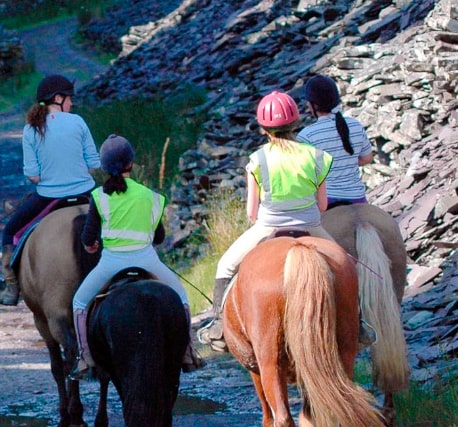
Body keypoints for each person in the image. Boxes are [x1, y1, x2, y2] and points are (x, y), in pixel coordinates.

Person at [198, 90, 336, 352]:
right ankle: (359, 320)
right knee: (348, 264)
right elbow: (323, 205)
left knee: (225, 266)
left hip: (268, 226)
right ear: (296, 123)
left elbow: (252, 211)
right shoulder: (317, 156)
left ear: (263, 129)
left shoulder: (258, 159)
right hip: (310, 225)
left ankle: (218, 326)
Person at [69, 134, 204, 380]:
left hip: (110, 263)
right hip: (146, 259)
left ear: (104, 167)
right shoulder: (150, 196)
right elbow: (159, 237)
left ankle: (85, 359)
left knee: (79, 303)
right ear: (131, 163)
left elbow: (88, 238)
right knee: (182, 298)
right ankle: (188, 351)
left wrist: (91, 245)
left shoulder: (99, 197)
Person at [0, 74, 101, 305]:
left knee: (10, 230)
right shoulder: (78, 122)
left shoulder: (31, 129)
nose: (72, 104)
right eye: (69, 98)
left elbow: (33, 175)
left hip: (49, 197)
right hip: (86, 193)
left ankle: (11, 288)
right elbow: (94, 164)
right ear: (59, 98)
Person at [297, 74, 374, 209]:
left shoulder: (306, 136)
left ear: (313, 105)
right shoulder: (355, 125)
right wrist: (345, 162)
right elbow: (367, 158)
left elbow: (303, 177)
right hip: (358, 198)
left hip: (326, 201)